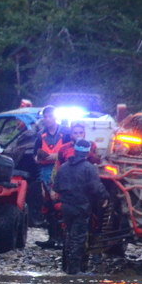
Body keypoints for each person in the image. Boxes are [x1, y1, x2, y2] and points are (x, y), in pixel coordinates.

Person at [52, 138, 106, 274]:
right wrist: (105, 196)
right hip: (80, 207)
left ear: (75, 151)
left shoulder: (64, 166)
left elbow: (56, 186)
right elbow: (96, 188)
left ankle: (66, 267)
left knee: (69, 235)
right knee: (79, 238)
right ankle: (75, 270)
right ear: (88, 153)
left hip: (65, 207)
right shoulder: (89, 168)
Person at [33, 106, 68, 248]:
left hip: (62, 173)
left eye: (50, 116)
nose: (47, 119)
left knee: (61, 206)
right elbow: (34, 155)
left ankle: (63, 238)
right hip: (46, 174)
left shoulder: (65, 133)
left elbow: (70, 150)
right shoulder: (40, 135)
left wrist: (58, 155)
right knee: (48, 207)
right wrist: (38, 158)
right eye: (45, 117)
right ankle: (52, 238)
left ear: (55, 117)